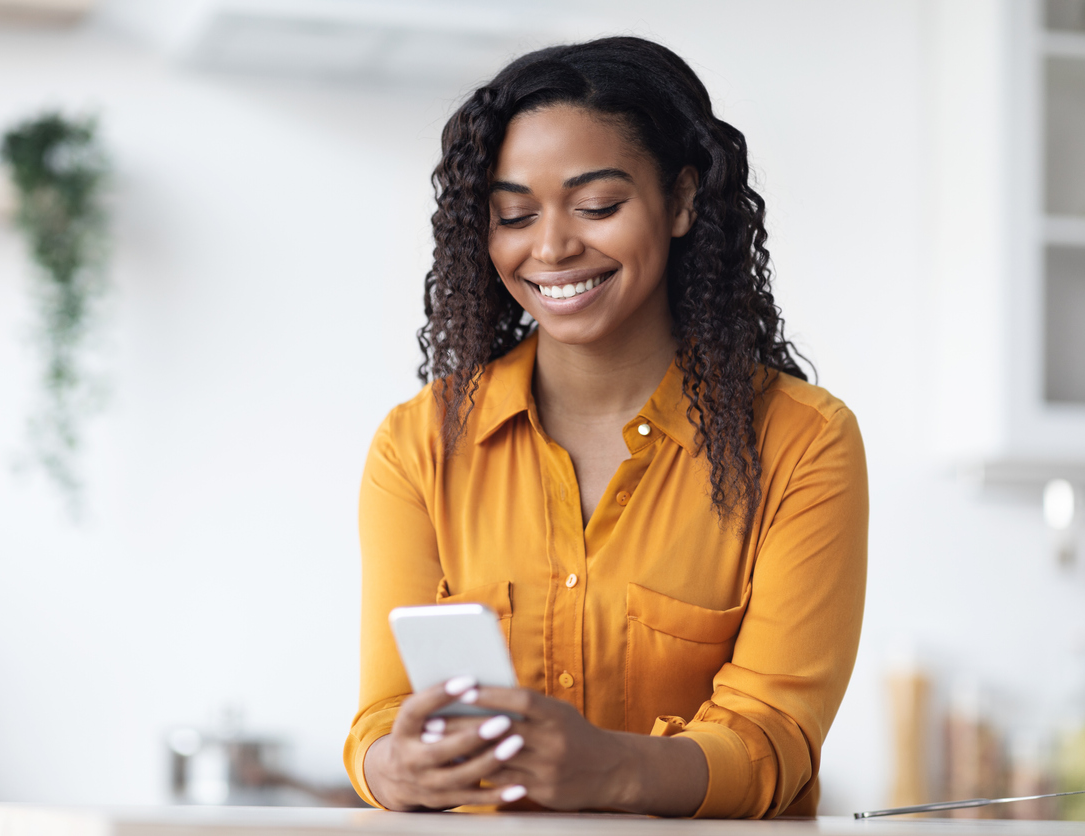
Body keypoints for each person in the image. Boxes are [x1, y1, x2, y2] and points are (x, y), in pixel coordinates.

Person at [343, 36, 867, 818]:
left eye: (597, 206)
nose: (551, 247)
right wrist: (396, 769)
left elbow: (774, 737)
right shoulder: (419, 447)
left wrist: (614, 770)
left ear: (683, 198)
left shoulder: (800, 442)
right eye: (514, 214)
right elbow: (381, 721)